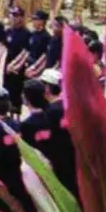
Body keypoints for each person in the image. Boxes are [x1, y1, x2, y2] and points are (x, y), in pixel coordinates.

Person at [39, 68, 79, 201]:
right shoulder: (71, 107)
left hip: (57, 162)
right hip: (74, 158)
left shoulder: (49, 112)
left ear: (47, 89)